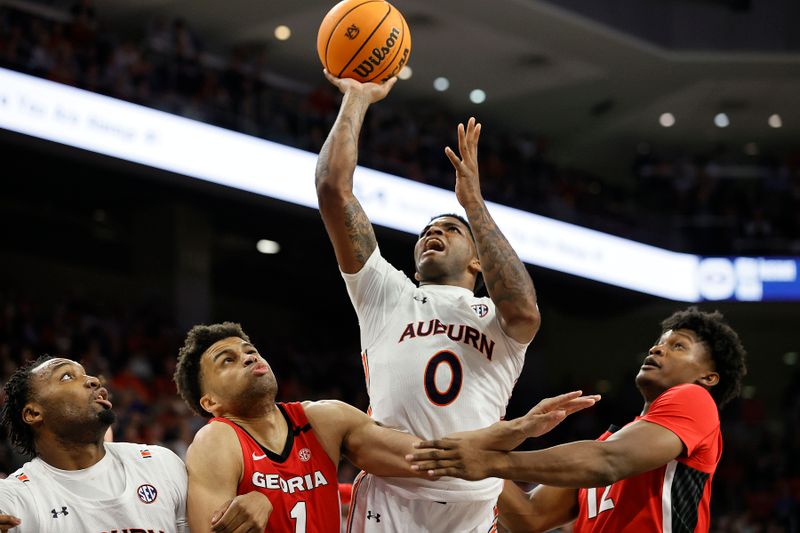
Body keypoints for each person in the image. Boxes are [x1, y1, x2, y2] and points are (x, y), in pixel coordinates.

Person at [314, 71, 541, 531]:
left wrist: (473, 204)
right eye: (426, 231)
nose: (433, 232)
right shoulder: (388, 294)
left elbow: (525, 312)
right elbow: (332, 190)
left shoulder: (499, 318)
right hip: (393, 495)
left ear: (479, 262)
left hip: (472, 504)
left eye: (450, 230)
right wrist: (357, 98)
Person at [174, 322, 591, 533]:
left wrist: (517, 428)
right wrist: (252, 511)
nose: (247, 356)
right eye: (226, 360)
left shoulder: (323, 419)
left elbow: (425, 454)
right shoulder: (218, 439)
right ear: (210, 402)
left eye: (248, 349)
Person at [407, 307, 748, 533]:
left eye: (678, 346)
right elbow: (530, 517)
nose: (657, 350)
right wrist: (463, 432)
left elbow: (607, 462)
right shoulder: (606, 442)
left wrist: (490, 460)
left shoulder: (695, 399)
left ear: (709, 377)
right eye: (659, 343)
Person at [0, 355, 188, 532]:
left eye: (86, 373)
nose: (94, 380)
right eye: (66, 376)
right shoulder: (16, 498)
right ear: (33, 414)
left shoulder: (161, 464)